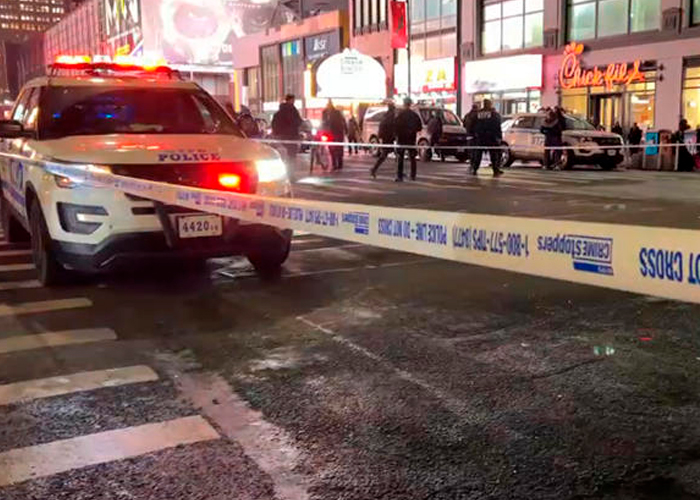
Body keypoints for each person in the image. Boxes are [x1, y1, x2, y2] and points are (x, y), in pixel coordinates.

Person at [471, 99, 504, 177]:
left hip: (480, 136)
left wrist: (474, 134)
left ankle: (475, 169)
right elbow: (497, 125)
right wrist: (499, 136)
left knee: (478, 154)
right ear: (489, 104)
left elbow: (472, 124)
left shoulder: (478, 113)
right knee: (494, 154)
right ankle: (495, 169)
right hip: (491, 136)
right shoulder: (493, 114)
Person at [393, 97, 423, 182]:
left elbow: (396, 126)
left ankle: (400, 176)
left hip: (402, 138)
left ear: (404, 104)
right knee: (412, 157)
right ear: (410, 104)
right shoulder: (414, 115)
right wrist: (412, 130)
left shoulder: (400, 115)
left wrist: (397, 135)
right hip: (411, 138)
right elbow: (419, 127)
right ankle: (413, 175)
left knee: (400, 157)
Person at [370, 101, 396, 179]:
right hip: (389, 138)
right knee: (386, 154)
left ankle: (374, 169)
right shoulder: (390, 117)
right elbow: (391, 127)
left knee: (388, 154)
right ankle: (374, 169)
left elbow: (382, 127)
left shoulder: (386, 116)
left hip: (386, 138)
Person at [271, 94, 303, 160]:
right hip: (291, 135)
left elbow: (274, 123)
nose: (294, 101)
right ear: (290, 100)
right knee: (292, 154)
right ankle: (291, 166)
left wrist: (276, 133)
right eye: (293, 100)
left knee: (283, 153)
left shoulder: (279, 112)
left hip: (281, 136)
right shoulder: (293, 111)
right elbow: (297, 121)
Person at [321, 100, 347, 171]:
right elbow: (323, 122)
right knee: (332, 148)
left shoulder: (336, 112)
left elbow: (342, 122)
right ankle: (335, 164)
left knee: (338, 148)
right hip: (330, 132)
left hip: (337, 132)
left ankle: (339, 164)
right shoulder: (325, 112)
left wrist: (345, 130)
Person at [463, 103, 479, 168]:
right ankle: (474, 164)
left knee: (471, 150)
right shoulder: (478, 115)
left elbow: (464, 124)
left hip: (469, 136)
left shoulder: (467, 115)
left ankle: (471, 163)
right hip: (476, 136)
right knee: (476, 151)